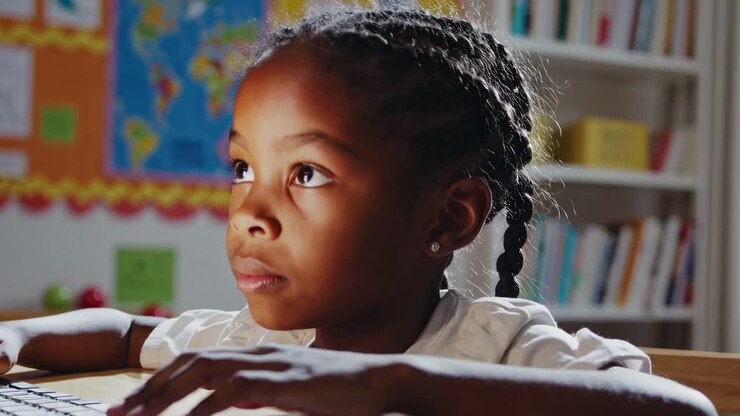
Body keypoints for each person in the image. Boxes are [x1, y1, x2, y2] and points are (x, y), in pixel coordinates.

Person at [0, 7, 716, 416]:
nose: (252, 210)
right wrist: (20, 340)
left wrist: (382, 384)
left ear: (450, 219)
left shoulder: (494, 346)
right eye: (243, 167)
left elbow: (680, 409)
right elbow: (126, 333)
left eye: (306, 173)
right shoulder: (253, 349)